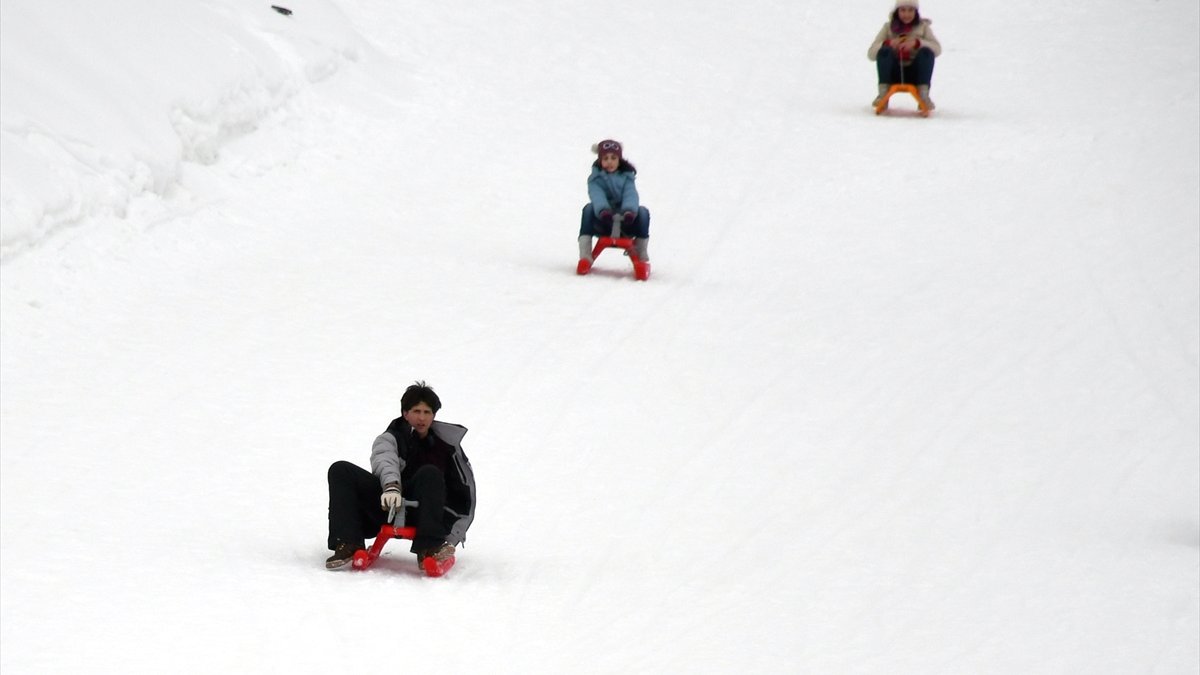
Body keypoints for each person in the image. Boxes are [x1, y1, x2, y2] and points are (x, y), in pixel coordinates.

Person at [325, 381, 477, 570]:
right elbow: (385, 460)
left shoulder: (446, 448)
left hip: (427, 515)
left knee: (430, 472)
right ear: (405, 413)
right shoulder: (391, 438)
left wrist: (452, 535)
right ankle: (348, 542)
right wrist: (391, 487)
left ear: (433, 416)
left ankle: (430, 547)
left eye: (427, 412)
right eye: (416, 411)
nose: (421, 417)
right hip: (387, 505)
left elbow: (463, 493)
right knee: (340, 469)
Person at [577, 139, 651, 272]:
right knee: (588, 209)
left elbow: (631, 194)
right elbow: (597, 196)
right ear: (600, 160)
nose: (609, 162)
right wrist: (603, 211)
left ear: (619, 160)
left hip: (626, 223)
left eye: (613, 158)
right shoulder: (595, 179)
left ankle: (640, 255)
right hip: (604, 222)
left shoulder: (627, 177)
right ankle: (585, 256)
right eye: (605, 158)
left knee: (643, 213)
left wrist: (629, 212)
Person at [867, 0, 942, 110]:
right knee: (885, 51)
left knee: (926, 52)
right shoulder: (888, 28)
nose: (906, 14)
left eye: (910, 10)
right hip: (893, 72)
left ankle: (923, 95)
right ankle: (883, 94)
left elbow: (937, 49)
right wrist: (888, 43)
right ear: (897, 12)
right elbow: (871, 54)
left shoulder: (923, 27)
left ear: (915, 12)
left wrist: (917, 43)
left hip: (916, 73)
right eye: (903, 10)